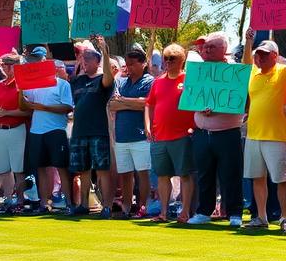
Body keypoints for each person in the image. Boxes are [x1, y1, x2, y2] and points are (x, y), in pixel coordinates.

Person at [243, 24, 286, 231]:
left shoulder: (285, 72)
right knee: (257, 179)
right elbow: (245, 64)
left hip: (276, 136)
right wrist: (249, 40)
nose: (260, 58)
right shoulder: (253, 72)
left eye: (265, 55)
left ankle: (285, 218)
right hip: (253, 136)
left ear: (275, 56)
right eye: (258, 55)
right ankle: (261, 217)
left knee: (280, 180)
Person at [186, 33, 247, 227]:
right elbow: (192, 97)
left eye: (211, 47)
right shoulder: (197, 71)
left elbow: (244, 102)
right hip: (202, 132)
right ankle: (204, 210)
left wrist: (219, 108)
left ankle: (235, 213)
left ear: (223, 49)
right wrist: (200, 106)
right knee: (205, 173)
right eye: (205, 47)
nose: (206, 49)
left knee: (231, 174)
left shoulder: (235, 71)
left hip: (227, 132)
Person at [145, 43, 195, 223]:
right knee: (162, 175)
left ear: (182, 60)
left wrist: (193, 126)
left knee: (185, 174)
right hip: (160, 136)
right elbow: (149, 104)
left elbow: (198, 104)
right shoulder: (158, 81)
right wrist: (148, 126)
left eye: (172, 58)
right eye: (166, 58)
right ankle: (164, 213)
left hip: (182, 135)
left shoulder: (189, 79)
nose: (167, 61)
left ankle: (185, 212)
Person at [19, 51, 73, 212]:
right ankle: (44, 204)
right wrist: (20, 89)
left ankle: (69, 203)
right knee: (40, 167)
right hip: (37, 131)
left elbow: (67, 107)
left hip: (56, 130)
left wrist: (44, 108)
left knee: (61, 167)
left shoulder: (63, 84)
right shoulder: (33, 85)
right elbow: (23, 106)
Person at [67, 37, 115, 216]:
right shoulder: (77, 81)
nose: (84, 61)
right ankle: (84, 205)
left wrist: (105, 51)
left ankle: (107, 206)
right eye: (83, 59)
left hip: (98, 131)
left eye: (88, 59)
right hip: (79, 132)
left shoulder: (102, 79)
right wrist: (78, 58)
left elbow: (109, 79)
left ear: (98, 62)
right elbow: (66, 75)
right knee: (84, 170)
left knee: (102, 169)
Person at [111, 44, 155, 218]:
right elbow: (112, 104)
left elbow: (147, 103)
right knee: (125, 174)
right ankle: (127, 207)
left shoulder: (149, 81)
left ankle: (143, 206)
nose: (128, 67)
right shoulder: (121, 81)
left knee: (143, 173)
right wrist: (134, 102)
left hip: (140, 135)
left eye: (132, 64)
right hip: (121, 135)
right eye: (127, 64)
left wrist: (124, 101)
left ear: (143, 64)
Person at [0, 53, 29, 208]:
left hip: (17, 128)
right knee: (3, 167)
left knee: (18, 168)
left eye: (9, 65)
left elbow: (28, 111)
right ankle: (9, 199)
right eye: (4, 65)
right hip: (0, 129)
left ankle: (21, 200)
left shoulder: (22, 85)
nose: (5, 68)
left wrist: (6, 112)